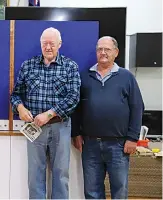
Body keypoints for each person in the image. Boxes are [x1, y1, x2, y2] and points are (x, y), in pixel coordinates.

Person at [10, 27, 81, 199]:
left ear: (59, 45)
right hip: (34, 128)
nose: (48, 47)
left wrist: (49, 114)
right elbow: (16, 95)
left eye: (52, 43)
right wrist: (20, 108)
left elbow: (73, 98)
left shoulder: (70, 67)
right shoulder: (28, 66)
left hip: (60, 126)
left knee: (61, 173)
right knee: (35, 174)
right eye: (45, 43)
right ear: (40, 44)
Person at [71, 36, 144, 199]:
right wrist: (76, 133)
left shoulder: (127, 77)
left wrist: (133, 137)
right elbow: (75, 108)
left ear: (116, 52)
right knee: (92, 191)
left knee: (120, 190)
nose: (102, 53)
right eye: (99, 49)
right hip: (90, 145)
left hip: (119, 145)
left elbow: (137, 107)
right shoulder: (84, 77)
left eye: (107, 49)